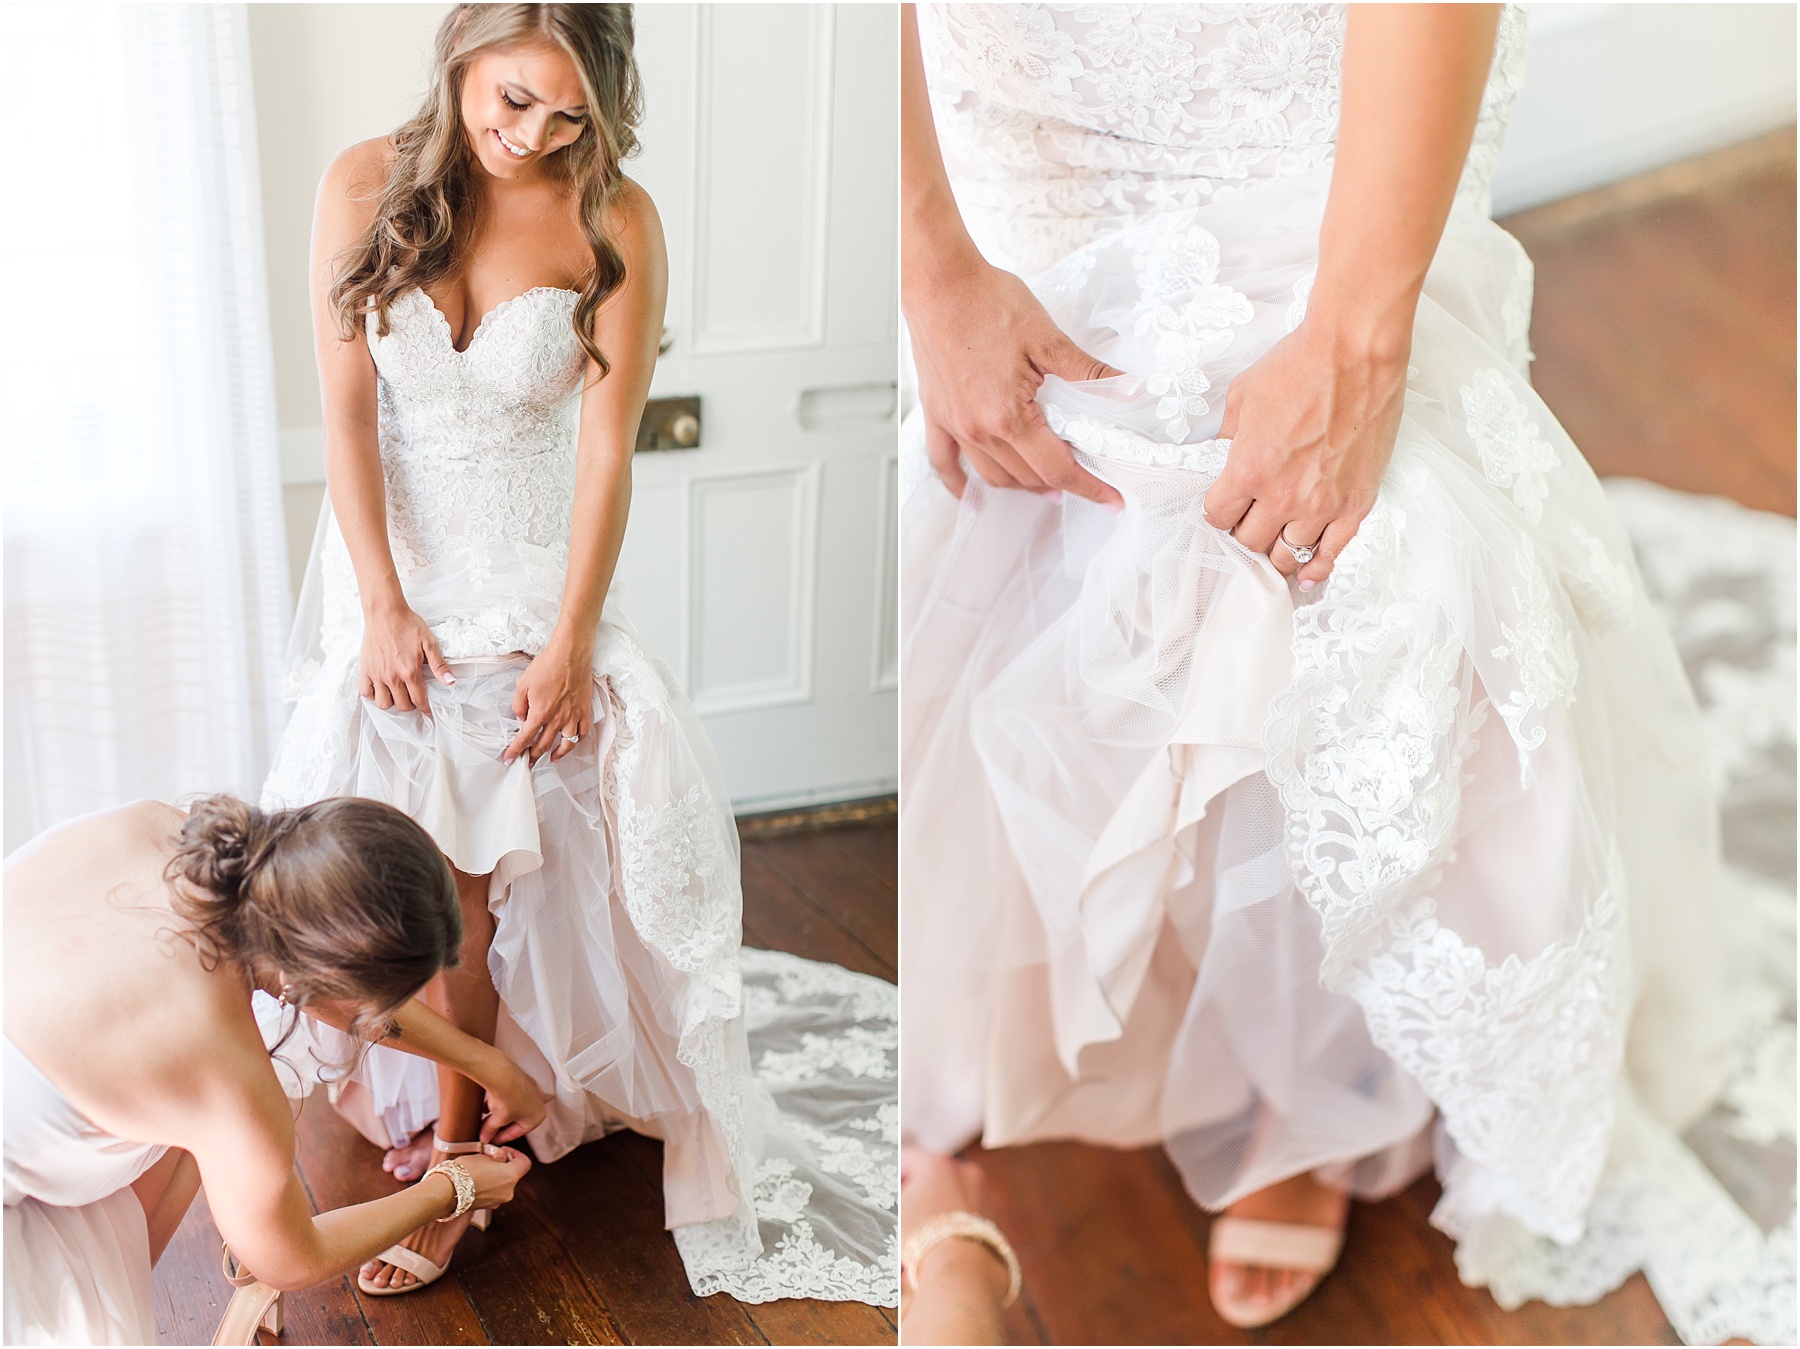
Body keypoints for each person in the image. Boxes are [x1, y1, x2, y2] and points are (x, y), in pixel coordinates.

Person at [898, 3, 1790, 1341]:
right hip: (1009, 93)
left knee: (1352, 587)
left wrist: (1354, 344)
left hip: (1290, 99)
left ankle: (1312, 1072)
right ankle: (939, 1125)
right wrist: (929, 261)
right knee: (999, 535)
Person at [264, 2, 895, 1302]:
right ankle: (483, 1093)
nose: (532, 135)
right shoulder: (356, 185)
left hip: (524, 594)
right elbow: (342, 416)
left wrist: (567, 641)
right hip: (387, 589)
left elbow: (607, 454)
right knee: (374, 878)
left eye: (566, 114)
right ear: (460, 62)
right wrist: (380, 605)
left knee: (471, 888)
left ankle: (453, 1172)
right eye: (511, 101)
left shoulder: (616, 220)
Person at [3, 794, 536, 1344]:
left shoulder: (160, 829)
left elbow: (299, 969)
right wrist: (451, 1189)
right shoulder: (222, 1074)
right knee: (213, 1141)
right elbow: (294, 1259)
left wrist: (487, 1064)